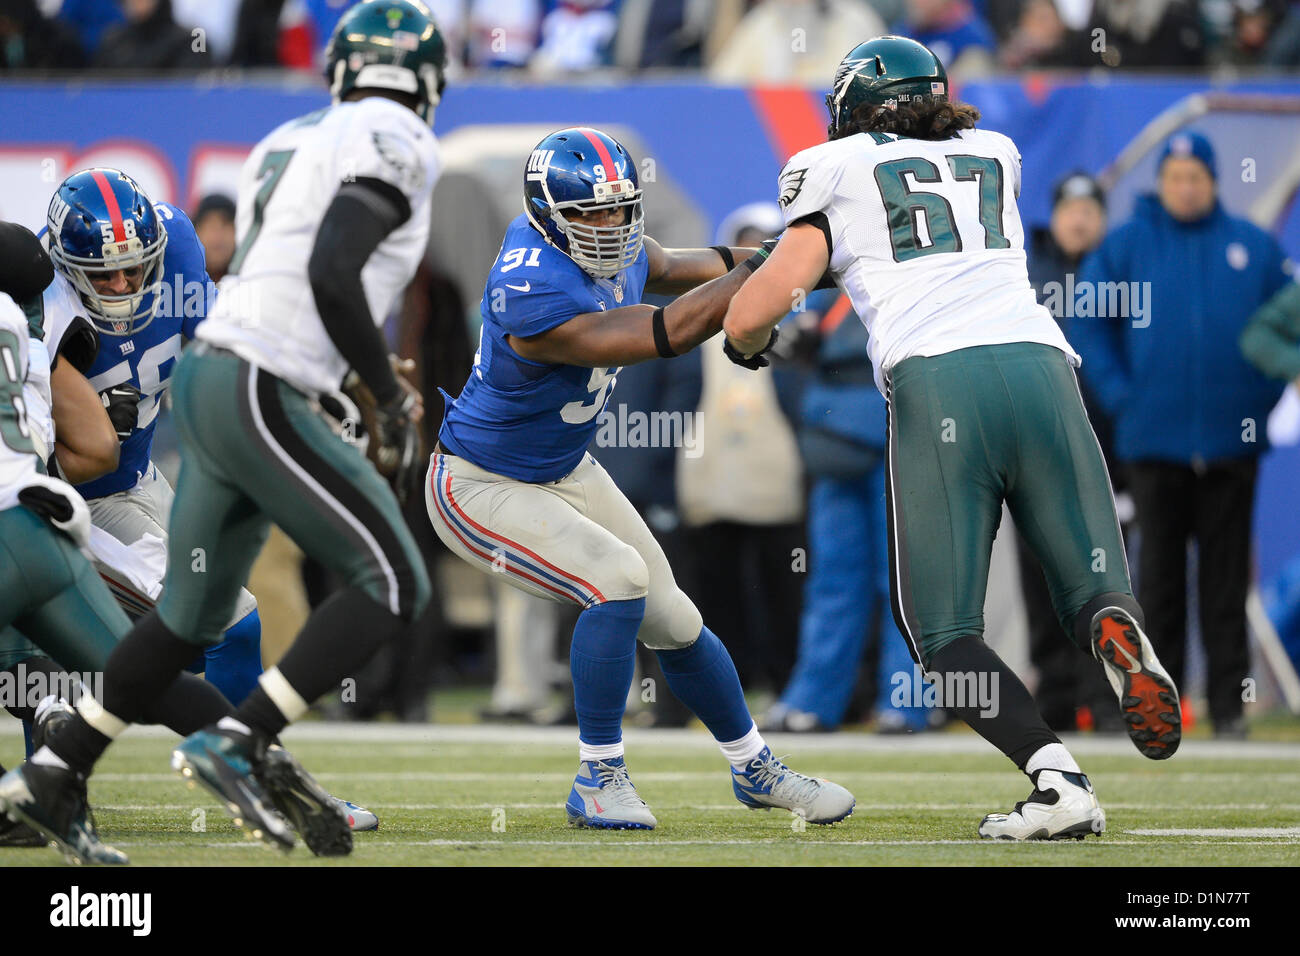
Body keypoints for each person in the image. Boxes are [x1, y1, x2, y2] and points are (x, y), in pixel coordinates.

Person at [0, 0, 448, 863]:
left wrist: (349, 375)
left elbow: (253, 298)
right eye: (106, 269)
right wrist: (371, 390)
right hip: (84, 484)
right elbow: (325, 271)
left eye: (137, 267)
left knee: (202, 620)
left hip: (171, 435)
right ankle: (228, 746)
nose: (127, 281)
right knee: (389, 576)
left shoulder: (236, 192)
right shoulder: (391, 137)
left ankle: (67, 770)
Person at [722, 35, 1182, 841]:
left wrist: (748, 341)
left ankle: (1055, 776)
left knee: (941, 636)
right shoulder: (993, 151)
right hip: (1044, 367)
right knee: (1090, 588)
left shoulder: (832, 168)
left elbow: (753, 309)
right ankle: (1118, 629)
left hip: (940, 383)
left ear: (857, 111)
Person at [428, 125, 855, 830]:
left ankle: (754, 767)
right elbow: (667, 332)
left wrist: (787, 258)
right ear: (549, 217)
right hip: (479, 484)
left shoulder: (614, 244)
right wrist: (771, 272)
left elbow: (682, 262)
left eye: (617, 209)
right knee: (617, 578)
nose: (607, 226)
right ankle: (599, 776)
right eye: (588, 214)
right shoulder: (528, 286)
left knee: (677, 619)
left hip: (563, 468)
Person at [0, 221, 238, 863]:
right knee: (128, 669)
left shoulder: (58, 314)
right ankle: (265, 769)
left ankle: (48, 762)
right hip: (44, 520)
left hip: (42, 513)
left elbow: (104, 448)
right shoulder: (28, 327)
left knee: (36, 674)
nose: (122, 284)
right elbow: (100, 444)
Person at [1075, 131, 1292, 739]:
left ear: (1214, 183)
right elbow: (1087, 325)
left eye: (1196, 177)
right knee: (1159, 581)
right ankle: (1152, 711)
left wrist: (1260, 398)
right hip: (1154, 444)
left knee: (1225, 582)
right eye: (1176, 179)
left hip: (1231, 445)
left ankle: (1227, 709)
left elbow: (1288, 333)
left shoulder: (1251, 246)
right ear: (1161, 184)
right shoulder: (1128, 246)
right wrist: (1123, 398)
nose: (1186, 188)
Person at [1018, 170, 1122, 734]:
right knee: (1039, 574)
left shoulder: (1119, 271)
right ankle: (1056, 694)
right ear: (1054, 214)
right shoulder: (1019, 265)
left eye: (1091, 209)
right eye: (1070, 208)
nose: (1079, 219)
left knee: (1099, 573)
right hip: (1033, 442)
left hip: (1103, 451)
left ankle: (1104, 698)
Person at [191, 193, 238, 283]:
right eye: (210, 226)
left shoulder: (251, 281)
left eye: (225, 225)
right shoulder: (177, 285)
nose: (217, 237)